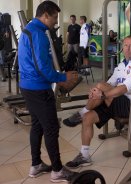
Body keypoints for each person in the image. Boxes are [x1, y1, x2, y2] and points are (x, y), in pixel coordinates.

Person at [62, 35, 131, 168]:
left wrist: (102, 94)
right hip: (113, 101)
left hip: (130, 104)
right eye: (125, 45)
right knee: (88, 118)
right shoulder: (121, 65)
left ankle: (81, 112)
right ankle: (84, 156)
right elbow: (110, 83)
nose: (128, 49)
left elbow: (124, 88)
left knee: (101, 87)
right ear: (122, 47)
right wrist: (96, 93)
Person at [18, 1, 78, 182]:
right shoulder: (38, 34)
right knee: (51, 128)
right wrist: (63, 78)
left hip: (28, 87)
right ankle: (58, 171)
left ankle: (36, 165)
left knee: (37, 125)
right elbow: (42, 68)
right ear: (45, 15)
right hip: (38, 89)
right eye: (54, 18)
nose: (55, 22)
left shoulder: (29, 29)